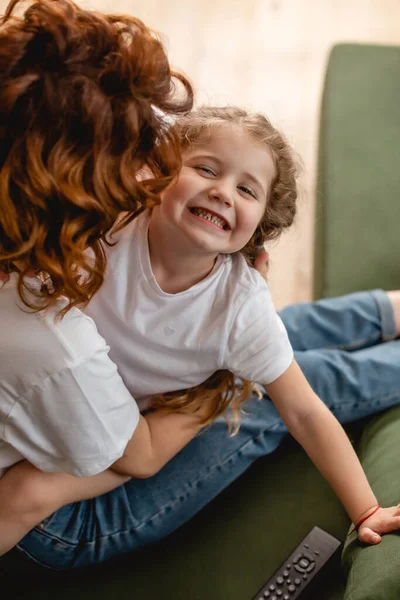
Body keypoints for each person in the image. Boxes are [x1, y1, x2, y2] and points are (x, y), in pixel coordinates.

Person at [1, 104, 400, 571]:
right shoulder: (111, 228)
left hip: (125, 423)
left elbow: (306, 411)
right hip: (109, 439)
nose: (222, 191)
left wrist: (366, 508)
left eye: (246, 189)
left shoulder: (240, 305)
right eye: (206, 169)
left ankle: (389, 309)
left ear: (262, 221)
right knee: (262, 370)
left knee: (280, 356)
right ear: (161, 173)